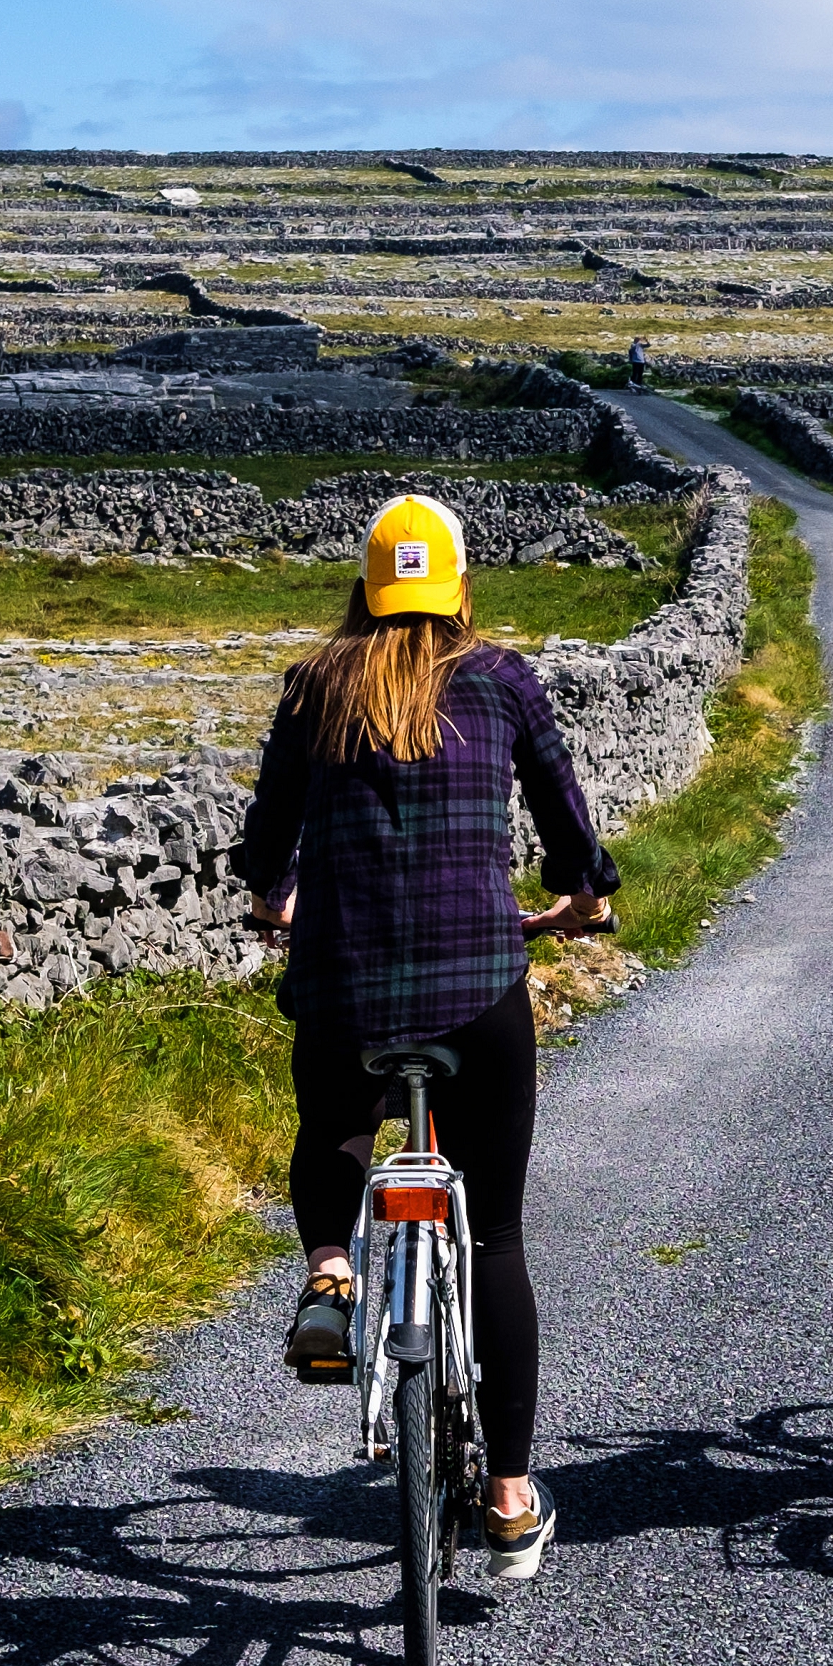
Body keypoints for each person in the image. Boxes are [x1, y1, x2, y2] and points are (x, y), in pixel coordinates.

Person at [234, 492, 618, 1583]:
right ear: (456, 590)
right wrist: (583, 898)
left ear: (365, 587)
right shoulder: (497, 679)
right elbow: (569, 830)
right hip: (476, 987)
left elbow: (268, 840)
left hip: (346, 985)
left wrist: (275, 899)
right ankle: (505, 1496)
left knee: (333, 1120)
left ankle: (328, 1268)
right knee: (491, 1232)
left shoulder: (314, 684)